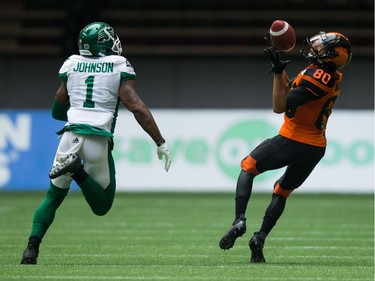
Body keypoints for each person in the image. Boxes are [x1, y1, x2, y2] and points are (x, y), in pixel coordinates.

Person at [21, 22, 171, 265]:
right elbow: (135, 106)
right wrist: (159, 140)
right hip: (97, 138)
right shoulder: (118, 65)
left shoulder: (71, 63)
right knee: (102, 205)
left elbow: (58, 109)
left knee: (53, 197)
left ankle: (31, 250)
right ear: (102, 43)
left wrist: (78, 108)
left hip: (70, 136)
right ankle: (77, 171)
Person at [219, 31, 352, 263]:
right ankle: (259, 238)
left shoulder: (318, 76)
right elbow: (293, 88)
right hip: (316, 146)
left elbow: (279, 105)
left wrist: (277, 73)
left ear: (330, 56)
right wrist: (281, 71)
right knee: (282, 191)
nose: (316, 47)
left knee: (248, 166)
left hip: (293, 139)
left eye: (322, 46)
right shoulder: (331, 75)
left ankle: (239, 219)